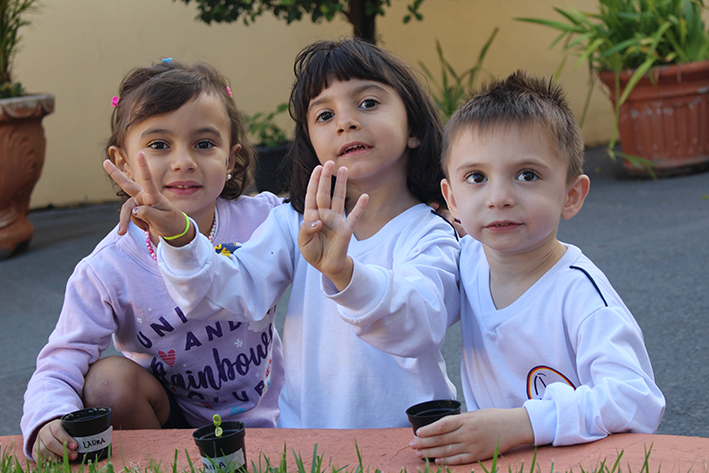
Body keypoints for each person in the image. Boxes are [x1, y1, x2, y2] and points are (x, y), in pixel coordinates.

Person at [104, 38, 460, 430]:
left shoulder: (432, 233)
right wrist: (181, 237)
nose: (345, 122)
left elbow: (420, 327)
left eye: (369, 102)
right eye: (324, 115)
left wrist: (345, 275)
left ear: (413, 127)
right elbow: (230, 292)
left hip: (413, 436)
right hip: (307, 439)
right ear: (310, 141)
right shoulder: (295, 221)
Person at [21, 60, 285, 462]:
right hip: (171, 422)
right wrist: (48, 416)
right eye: (159, 145)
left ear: (230, 160)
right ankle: (160, 462)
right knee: (108, 382)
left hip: (275, 412)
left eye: (204, 144)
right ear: (123, 162)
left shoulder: (265, 220)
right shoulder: (108, 268)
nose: (183, 161)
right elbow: (62, 358)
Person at [408, 71, 666, 464]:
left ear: (571, 195)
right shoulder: (465, 260)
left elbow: (636, 399)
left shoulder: (580, 295)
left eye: (527, 175)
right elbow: (407, 308)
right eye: (476, 177)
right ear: (453, 199)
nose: (499, 197)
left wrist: (524, 425)